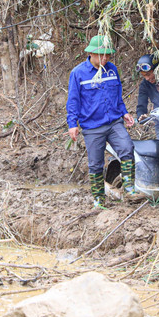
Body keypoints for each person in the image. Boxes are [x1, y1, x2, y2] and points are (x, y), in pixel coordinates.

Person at [66, 35, 137, 209]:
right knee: (96, 164)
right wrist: (72, 124)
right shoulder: (78, 73)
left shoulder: (112, 70)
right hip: (92, 126)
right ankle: (99, 200)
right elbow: (73, 100)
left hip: (114, 122)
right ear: (91, 53)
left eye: (108, 55)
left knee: (127, 148)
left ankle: (130, 189)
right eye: (101, 55)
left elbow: (117, 96)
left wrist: (124, 112)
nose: (105, 58)